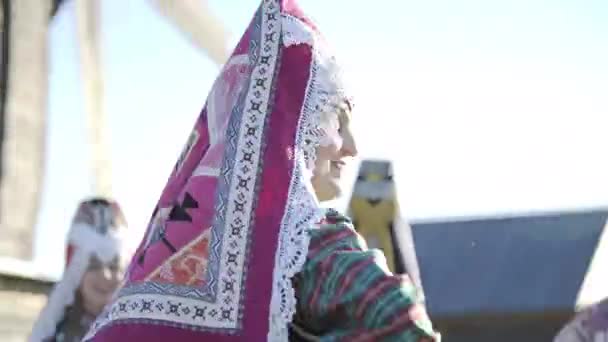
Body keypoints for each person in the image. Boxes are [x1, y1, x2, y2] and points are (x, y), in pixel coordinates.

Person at [84, 1, 440, 341]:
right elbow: (402, 322)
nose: (351, 146)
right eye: (337, 120)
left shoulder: (176, 244)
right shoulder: (307, 242)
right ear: (295, 124)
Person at [30, 198, 128, 342]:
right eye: (94, 266)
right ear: (76, 273)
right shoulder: (55, 332)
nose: (106, 275)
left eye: (114, 267)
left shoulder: (137, 331)